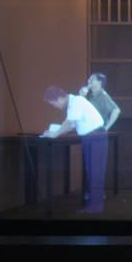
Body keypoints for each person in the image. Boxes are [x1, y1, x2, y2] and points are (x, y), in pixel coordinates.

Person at [41, 85, 106, 213]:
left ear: (59, 99)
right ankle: (94, 206)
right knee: (92, 172)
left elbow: (69, 124)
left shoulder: (76, 102)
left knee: (95, 172)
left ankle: (95, 207)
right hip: (92, 137)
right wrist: (55, 132)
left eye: (53, 104)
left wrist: (55, 134)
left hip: (95, 137)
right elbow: (70, 123)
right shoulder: (73, 104)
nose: (55, 107)